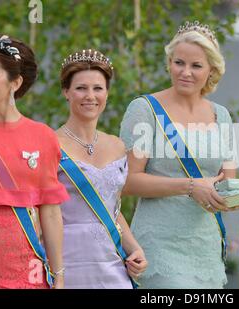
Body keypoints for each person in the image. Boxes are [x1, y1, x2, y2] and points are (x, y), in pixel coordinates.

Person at [120, 21, 239, 288]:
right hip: (159, 245)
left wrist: (232, 199)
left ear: (212, 70)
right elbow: (127, 182)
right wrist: (189, 186)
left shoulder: (222, 116)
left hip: (207, 248)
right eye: (179, 63)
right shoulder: (145, 109)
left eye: (196, 66)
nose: (185, 72)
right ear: (169, 62)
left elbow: (229, 183)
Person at [0, 33, 69, 288]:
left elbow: (51, 214)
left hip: (28, 273)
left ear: (15, 82)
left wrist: (59, 277)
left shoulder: (43, 137)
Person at [56, 49, 147, 288]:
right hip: (68, 261)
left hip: (112, 261)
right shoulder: (49, 143)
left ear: (107, 92)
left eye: (98, 88)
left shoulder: (117, 146)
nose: (90, 96)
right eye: (81, 88)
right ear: (66, 92)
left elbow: (113, 209)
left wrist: (134, 248)